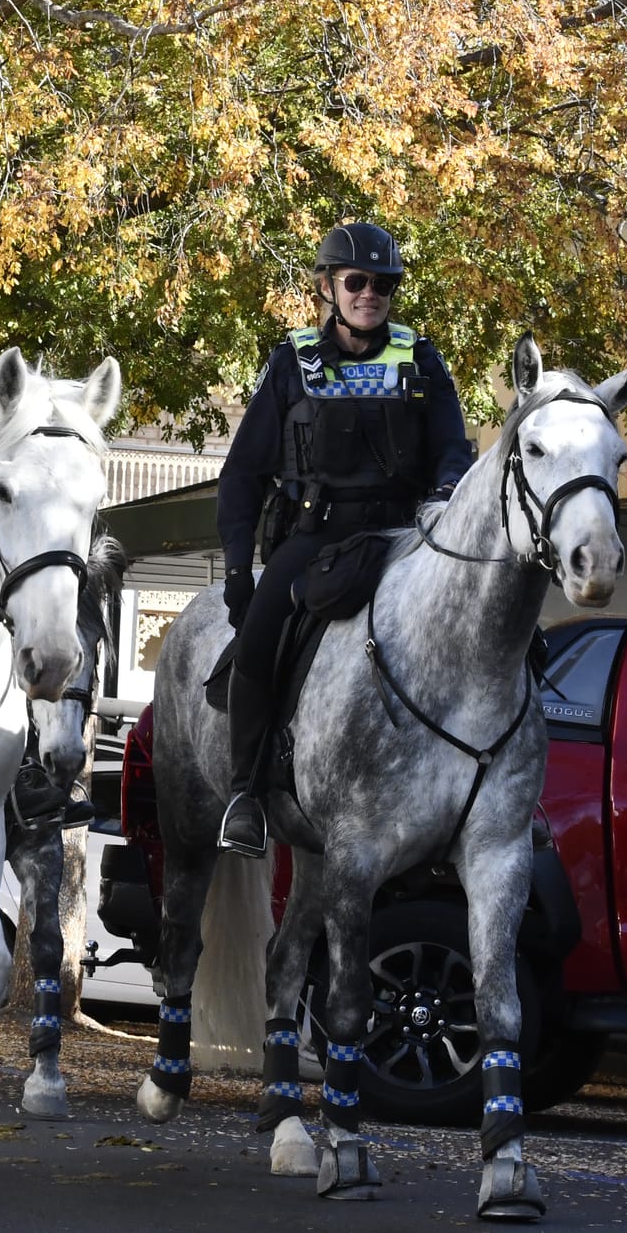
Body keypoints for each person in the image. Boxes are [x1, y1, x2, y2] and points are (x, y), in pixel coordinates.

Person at [212, 222, 472, 856]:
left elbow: (453, 453)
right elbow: (243, 473)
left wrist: (443, 496)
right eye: (357, 282)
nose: (370, 294)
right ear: (328, 287)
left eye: (384, 285)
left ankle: (501, 789)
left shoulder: (422, 358)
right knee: (257, 640)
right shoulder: (290, 362)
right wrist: (239, 572)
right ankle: (247, 793)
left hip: (405, 538)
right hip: (316, 536)